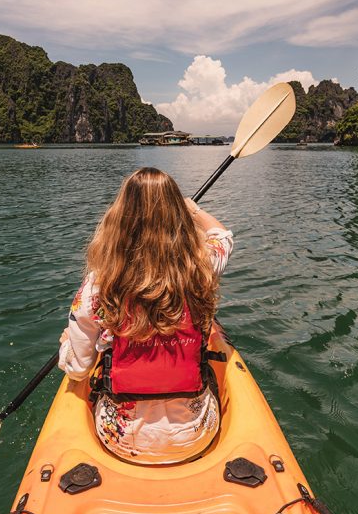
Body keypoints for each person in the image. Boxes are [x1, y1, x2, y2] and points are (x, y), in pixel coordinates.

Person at [58, 167, 234, 464]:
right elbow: (223, 237)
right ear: (177, 215)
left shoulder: (98, 286)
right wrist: (194, 210)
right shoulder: (202, 268)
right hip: (194, 435)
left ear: (119, 218)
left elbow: (78, 369)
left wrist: (66, 344)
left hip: (122, 440)